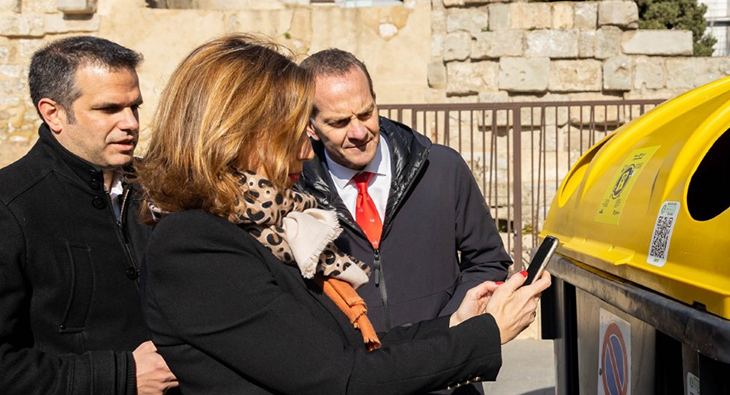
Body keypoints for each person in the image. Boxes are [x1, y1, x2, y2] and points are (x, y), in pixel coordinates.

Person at [136, 34, 550, 395]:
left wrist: (457, 323)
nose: (304, 149)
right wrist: (485, 336)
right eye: (296, 131)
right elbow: (340, 379)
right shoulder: (195, 245)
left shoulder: (263, 225)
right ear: (242, 134)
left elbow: (345, 348)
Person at [0, 36, 178, 394]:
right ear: (53, 113)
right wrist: (120, 375)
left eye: (135, 107)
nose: (130, 123)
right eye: (109, 109)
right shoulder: (11, 207)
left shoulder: (164, 190)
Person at [298, 49, 512, 339]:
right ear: (311, 127)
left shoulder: (442, 168)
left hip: (449, 368)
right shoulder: (295, 195)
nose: (359, 132)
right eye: (339, 122)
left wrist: (449, 330)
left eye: (366, 113)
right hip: (356, 375)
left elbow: (489, 261)